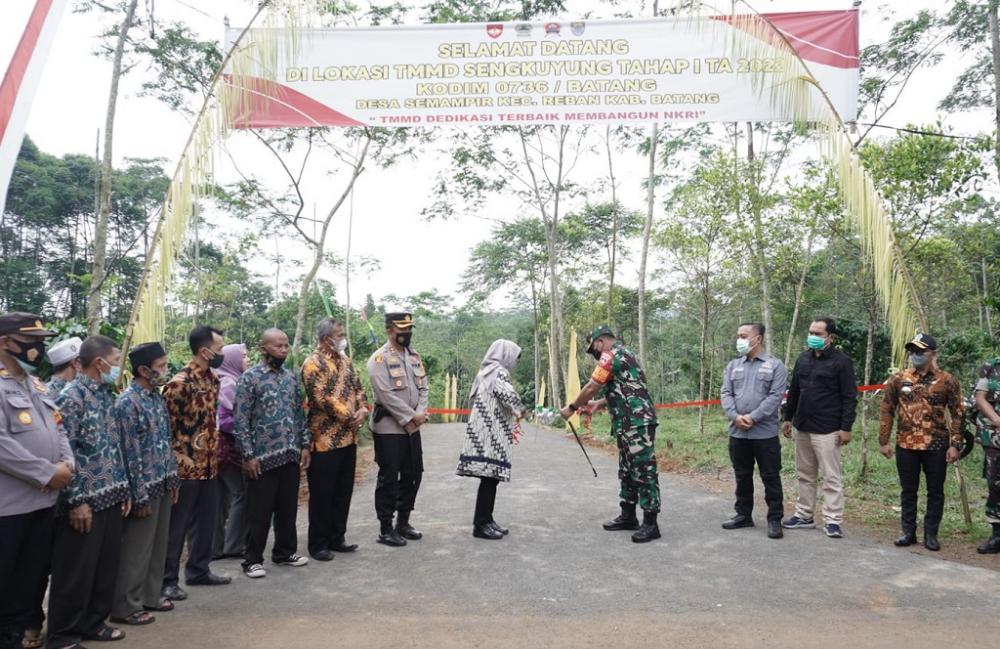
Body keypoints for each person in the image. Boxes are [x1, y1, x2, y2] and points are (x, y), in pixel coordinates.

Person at [49, 335, 138, 648]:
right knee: (76, 572)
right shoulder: (71, 398)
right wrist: (75, 501)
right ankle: (62, 635)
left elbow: (113, 447)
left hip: (111, 494)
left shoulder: (104, 395)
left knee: (104, 567)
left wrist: (124, 487)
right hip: (85, 500)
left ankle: (93, 624)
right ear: (99, 363)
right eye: (114, 361)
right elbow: (63, 453)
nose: (117, 366)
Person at [0, 313, 74, 649]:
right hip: (9, 509)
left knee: (30, 584)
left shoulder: (37, 385)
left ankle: (17, 637)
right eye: (33, 342)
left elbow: (58, 427)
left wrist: (66, 465)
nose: (39, 349)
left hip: (42, 504)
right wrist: (46, 472)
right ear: (6, 343)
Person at [560, 325, 661, 544]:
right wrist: (599, 404)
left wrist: (572, 407)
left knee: (644, 470)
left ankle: (651, 523)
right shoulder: (627, 355)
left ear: (600, 341)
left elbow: (591, 386)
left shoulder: (611, 356)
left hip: (636, 422)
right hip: (628, 422)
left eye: (593, 347)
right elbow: (628, 388)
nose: (593, 352)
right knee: (626, 470)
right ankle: (628, 515)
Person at [110, 342, 180, 626]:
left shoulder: (156, 398)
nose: (165, 370)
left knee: (157, 546)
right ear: (143, 370)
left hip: (162, 482)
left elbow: (166, 441)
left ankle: (151, 595)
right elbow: (129, 452)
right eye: (161, 366)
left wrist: (172, 476)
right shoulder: (128, 402)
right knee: (136, 550)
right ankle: (126, 605)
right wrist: (138, 495)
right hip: (143, 486)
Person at [161, 325, 231, 602]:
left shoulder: (213, 379)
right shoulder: (179, 384)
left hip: (209, 463)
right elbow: (166, 428)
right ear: (204, 351)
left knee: (206, 521)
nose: (222, 353)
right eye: (220, 349)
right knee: (177, 526)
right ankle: (167, 580)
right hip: (184, 466)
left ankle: (199, 569)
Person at [234, 329, 311, 578]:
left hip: (290, 453)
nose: (284, 350)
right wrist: (248, 454)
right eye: (278, 346)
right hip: (262, 457)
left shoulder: (290, 378)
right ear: (263, 348)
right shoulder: (250, 378)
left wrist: (305, 445)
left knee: (288, 507)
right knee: (259, 511)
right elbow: (241, 419)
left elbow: (299, 414)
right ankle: (252, 559)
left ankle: (285, 552)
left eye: (286, 346)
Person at [879, 333, 963, 551]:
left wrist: (955, 444)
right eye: (912, 351)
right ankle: (908, 532)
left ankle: (931, 534)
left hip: (936, 445)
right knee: (908, 490)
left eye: (920, 351)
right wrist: (884, 440)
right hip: (906, 444)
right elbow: (887, 409)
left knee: (935, 491)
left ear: (933, 353)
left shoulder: (947, 380)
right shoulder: (899, 378)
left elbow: (958, 413)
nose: (915, 355)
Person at [24, 335, 80, 648]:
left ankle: (37, 624)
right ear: (75, 364)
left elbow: (63, 441)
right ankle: (33, 624)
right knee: (38, 567)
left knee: (44, 564)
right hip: (46, 492)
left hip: (59, 489)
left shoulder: (42, 389)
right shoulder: (58, 393)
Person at [782, 317, 858, 538]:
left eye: (818, 334)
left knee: (831, 477)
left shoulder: (842, 362)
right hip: (803, 426)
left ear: (830, 337)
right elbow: (794, 391)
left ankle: (833, 520)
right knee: (805, 474)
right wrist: (788, 418)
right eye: (811, 333)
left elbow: (849, 397)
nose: (813, 337)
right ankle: (804, 515)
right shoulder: (803, 359)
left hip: (828, 428)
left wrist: (846, 427)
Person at [302, 318, 368, 561]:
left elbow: (359, 388)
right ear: (324, 338)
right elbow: (320, 397)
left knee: (343, 491)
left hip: (348, 438)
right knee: (322, 493)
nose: (342, 338)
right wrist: (349, 415)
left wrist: (362, 410)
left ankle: (337, 538)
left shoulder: (346, 361)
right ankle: (318, 543)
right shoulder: (312, 363)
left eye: (342, 334)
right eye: (339, 335)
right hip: (324, 439)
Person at [367, 310, 429, 547]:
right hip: (389, 429)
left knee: (414, 474)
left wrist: (420, 414)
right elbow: (387, 395)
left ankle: (403, 522)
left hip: (413, 429)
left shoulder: (414, 356)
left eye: (409, 329)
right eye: (402, 329)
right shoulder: (378, 360)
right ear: (389, 330)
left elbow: (424, 387)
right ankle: (385, 528)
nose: (407, 333)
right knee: (389, 478)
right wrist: (411, 417)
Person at [720, 322, 787, 540]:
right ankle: (743, 515)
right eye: (738, 335)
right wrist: (735, 416)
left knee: (770, 476)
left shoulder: (775, 366)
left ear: (757, 339)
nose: (739, 340)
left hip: (765, 434)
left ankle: (775, 519)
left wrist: (752, 416)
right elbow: (725, 393)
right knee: (742, 475)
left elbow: (775, 396)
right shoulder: (733, 366)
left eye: (743, 336)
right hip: (737, 433)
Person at [458, 339, 525, 540]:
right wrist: (521, 409)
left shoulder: (487, 371)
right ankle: (481, 524)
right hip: (490, 434)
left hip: (485, 433)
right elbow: (508, 395)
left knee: (491, 480)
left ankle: (487, 519)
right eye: (514, 358)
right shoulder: (498, 372)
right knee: (489, 479)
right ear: (505, 355)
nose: (515, 362)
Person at [213, 343, 249, 560]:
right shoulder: (229, 383)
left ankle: (215, 547)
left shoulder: (219, 379)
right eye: (244, 356)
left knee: (221, 498)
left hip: (216, 451)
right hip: (228, 450)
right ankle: (234, 544)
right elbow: (226, 421)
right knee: (242, 494)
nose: (248, 359)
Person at [973, 357, 1000, 554]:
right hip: (995, 437)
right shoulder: (990, 367)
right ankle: (997, 535)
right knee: (995, 483)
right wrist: (998, 420)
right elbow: (980, 398)